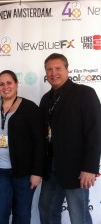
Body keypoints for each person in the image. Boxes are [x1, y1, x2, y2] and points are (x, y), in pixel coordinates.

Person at [38, 53, 101, 224]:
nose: (53, 73)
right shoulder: (46, 99)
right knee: (47, 210)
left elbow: (95, 132)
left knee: (78, 216)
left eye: (58, 68)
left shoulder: (84, 93)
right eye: (49, 69)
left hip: (76, 170)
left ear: (67, 70)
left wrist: (90, 168)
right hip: (50, 168)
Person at [0, 70, 45, 224]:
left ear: (16, 84)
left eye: (9, 83)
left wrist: (37, 172)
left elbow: (39, 142)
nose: (5, 87)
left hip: (24, 173)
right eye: (1, 84)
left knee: (21, 214)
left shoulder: (30, 108)